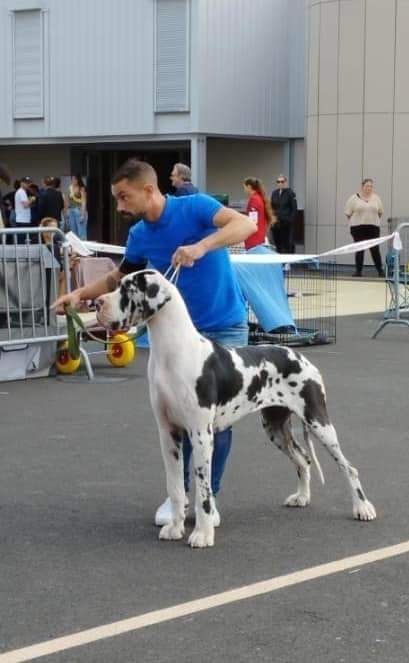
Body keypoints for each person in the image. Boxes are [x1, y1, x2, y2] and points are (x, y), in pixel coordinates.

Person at [53, 159, 255, 527]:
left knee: (215, 423)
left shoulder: (195, 206)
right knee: (175, 418)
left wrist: (201, 246)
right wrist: (80, 294)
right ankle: (179, 497)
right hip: (176, 337)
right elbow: (118, 278)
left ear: (148, 190)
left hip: (223, 325)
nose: (120, 205)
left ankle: (206, 498)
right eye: (116, 198)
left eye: (124, 196)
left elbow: (245, 225)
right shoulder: (139, 235)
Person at [344, 178, 384, 277]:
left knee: (375, 249)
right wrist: (357, 221)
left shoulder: (376, 198)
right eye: (367, 186)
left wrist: (371, 220)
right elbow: (348, 213)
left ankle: (380, 271)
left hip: (373, 227)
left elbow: (380, 212)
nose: (369, 188)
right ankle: (358, 271)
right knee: (359, 248)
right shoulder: (353, 198)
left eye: (371, 186)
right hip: (358, 228)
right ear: (362, 187)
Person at [243, 177, 275, 250]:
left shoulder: (254, 199)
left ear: (249, 187)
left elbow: (252, 221)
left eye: (244, 187)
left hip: (253, 239)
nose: (244, 190)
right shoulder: (259, 197)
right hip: (259, 236)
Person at [269, 174, 297, 253]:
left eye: (282, 181)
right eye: (278, 182)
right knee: (277, 243)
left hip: (286, 223)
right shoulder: (274, 193)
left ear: (285, 182)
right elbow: (271, 207)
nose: (280, 183)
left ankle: (288, 259)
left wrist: (290, 220)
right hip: (276, 223)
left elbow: (294, 208)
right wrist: (272, 219)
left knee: (287, 244)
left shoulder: (290, 193)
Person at [14, 177, 36, 241]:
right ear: (21, 183)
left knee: (23, 240)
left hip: (22, 219)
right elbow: (25, 205)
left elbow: (25, 205)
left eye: (29, 183)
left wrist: (29, 202)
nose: (28, 184)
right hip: (23, 220)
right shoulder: (22, 192)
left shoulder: (21, 191)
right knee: (23, 241)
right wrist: (32, 199)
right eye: (26, 183)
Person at [66, 175, 87, 239]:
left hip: (79, 210)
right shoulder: (70, 188)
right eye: (72, 179)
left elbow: (84, 201)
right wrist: (67, 212)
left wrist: (82, 214)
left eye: (75, 179)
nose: (73, 180)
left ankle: (83, 244)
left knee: (81, 232)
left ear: (78, 180)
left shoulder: (81, 188)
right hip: (71, 210)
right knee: (73, 232)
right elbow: (67, 200)